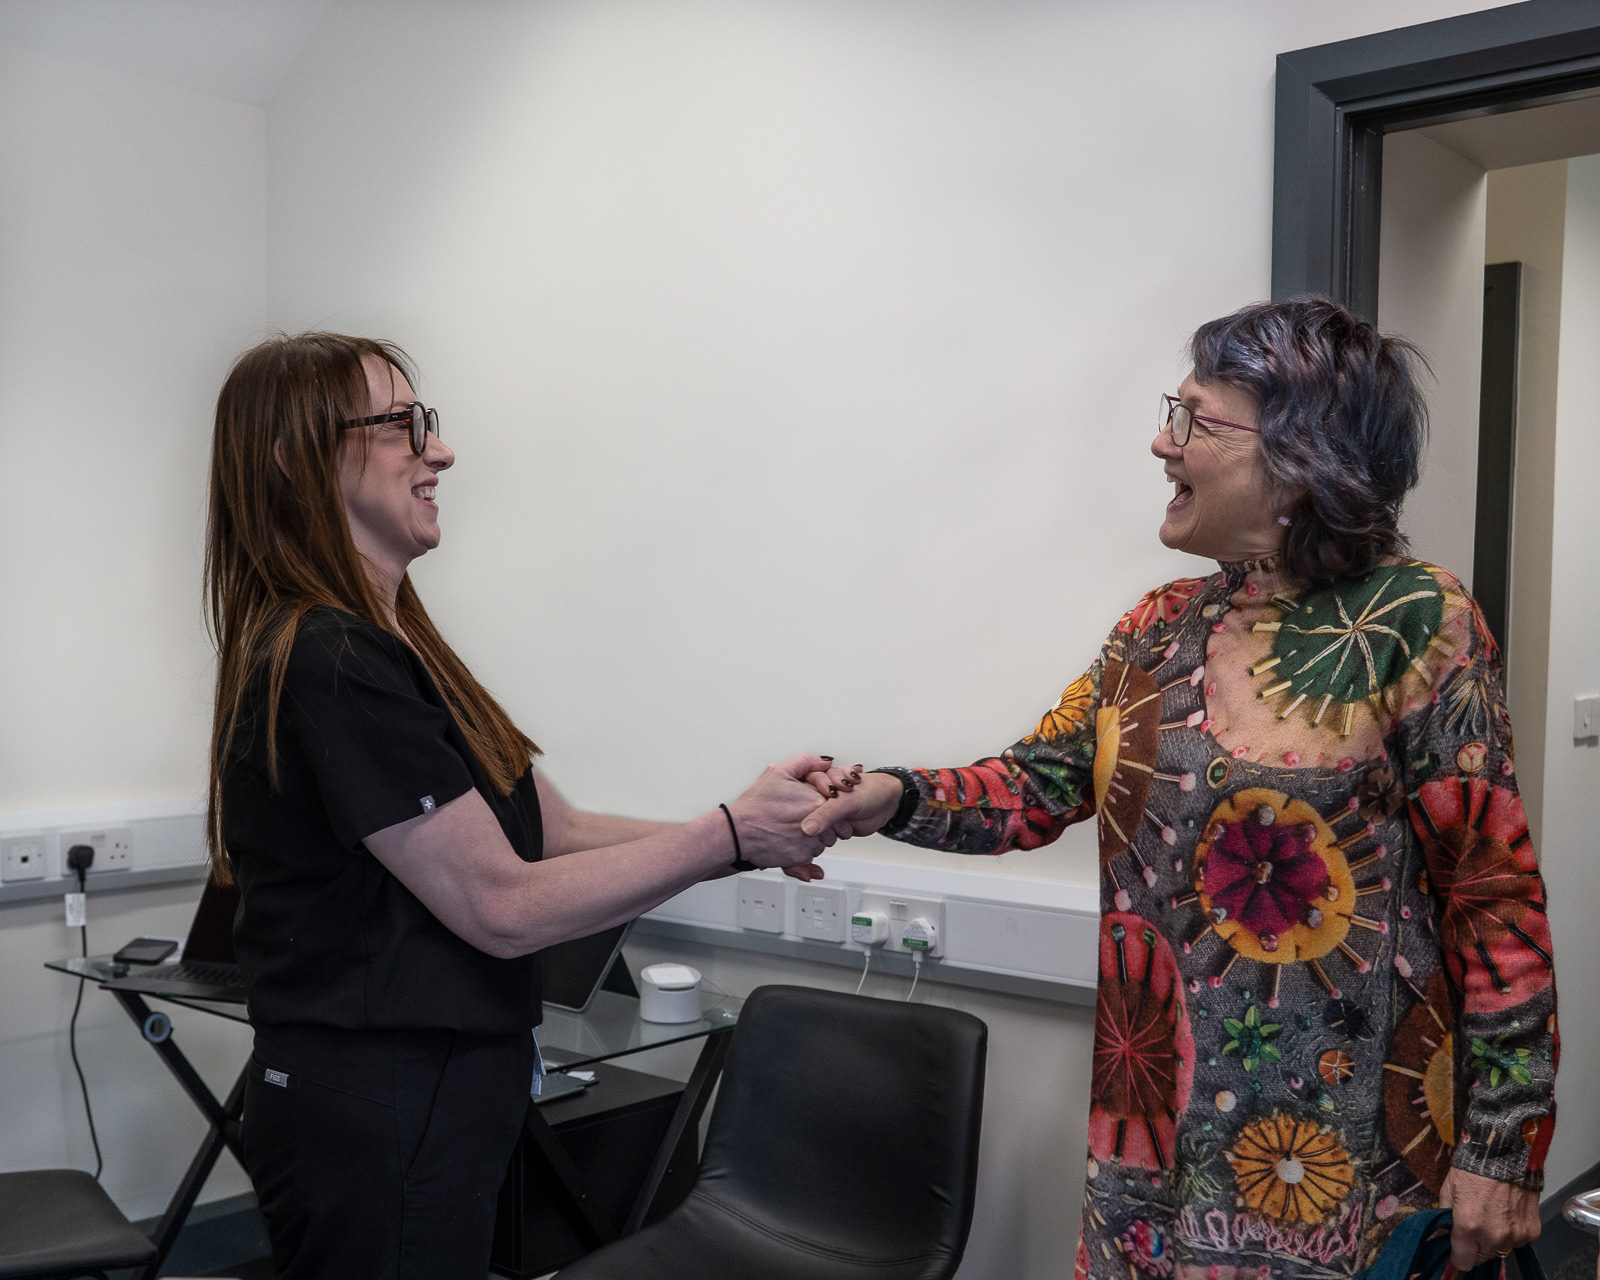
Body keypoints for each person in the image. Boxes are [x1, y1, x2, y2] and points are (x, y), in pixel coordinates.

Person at [803, 298, 1558, 1279]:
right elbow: (1035, 783)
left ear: (1301, 454)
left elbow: (1493, 897)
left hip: (1345, 1174)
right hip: (1149, 1152)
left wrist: (1504, 1145)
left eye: (1195, 419)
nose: (1163, 443)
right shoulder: (1155, 628)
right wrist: (890, 795)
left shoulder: (1418, 620)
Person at [204, 332, 840, 1280]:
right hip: (378, 1103)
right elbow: (500, 905)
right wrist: (730, 834)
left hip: (434, 1095)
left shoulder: (399, 643)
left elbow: (557, 832)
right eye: (402, 425)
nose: (441, 451)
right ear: (296, 457)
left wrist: (756, 829)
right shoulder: (329, 658)